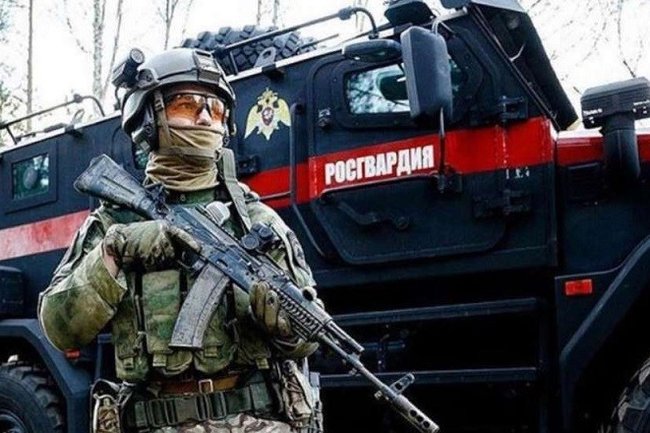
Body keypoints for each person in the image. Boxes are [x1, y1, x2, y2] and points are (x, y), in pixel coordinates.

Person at [38, 48, 322, 433]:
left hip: (255, 421)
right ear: (148, 120)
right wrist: (115, 249)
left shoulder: (255, 220)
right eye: (187, 105)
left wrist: (287, 328)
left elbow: (310, 335)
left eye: (216, 110)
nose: (205, 118)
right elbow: (60, 329)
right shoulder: (114, 221)